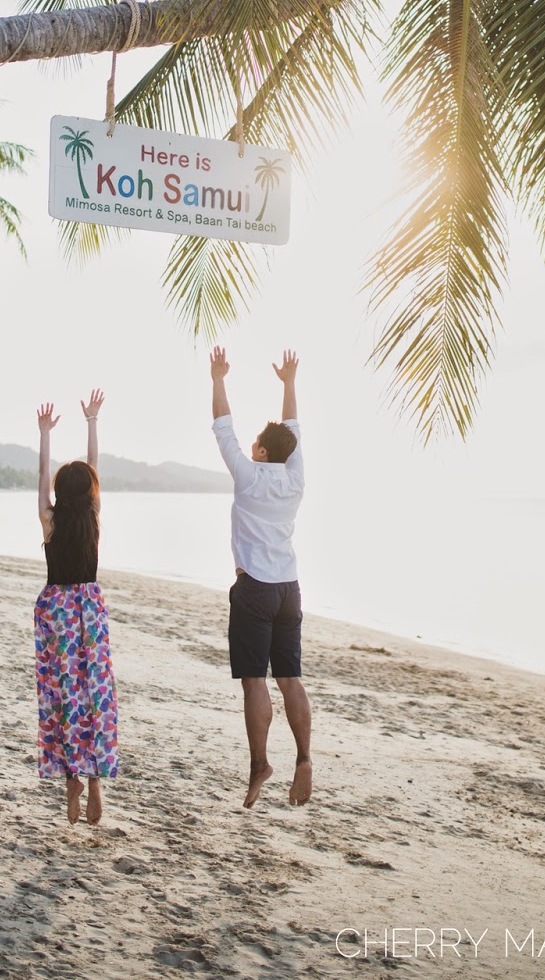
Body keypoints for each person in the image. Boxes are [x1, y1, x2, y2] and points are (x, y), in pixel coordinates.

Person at [210, 345, 312, 810]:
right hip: (288, 589)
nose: (249, 448)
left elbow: (222, 428)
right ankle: (305, 758)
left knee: (255, 681)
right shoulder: (295, 479)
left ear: (263, 452)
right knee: (290, 678)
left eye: (256, 445)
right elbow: (292, 433)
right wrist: (289, 384)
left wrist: (218, 378)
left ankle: (260, 765)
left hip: (253, 588)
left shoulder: (248, 477)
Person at [34, 389, 118, 824]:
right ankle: (96, 787)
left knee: (64, 698)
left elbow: (44, 476)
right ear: (89, 491)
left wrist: (45, 435)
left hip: (55, 612)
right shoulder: (93, 516)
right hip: (88, 610)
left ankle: (72, 786)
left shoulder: (50, 520)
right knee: (95, 698)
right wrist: (92, 422)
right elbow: (94, 471)